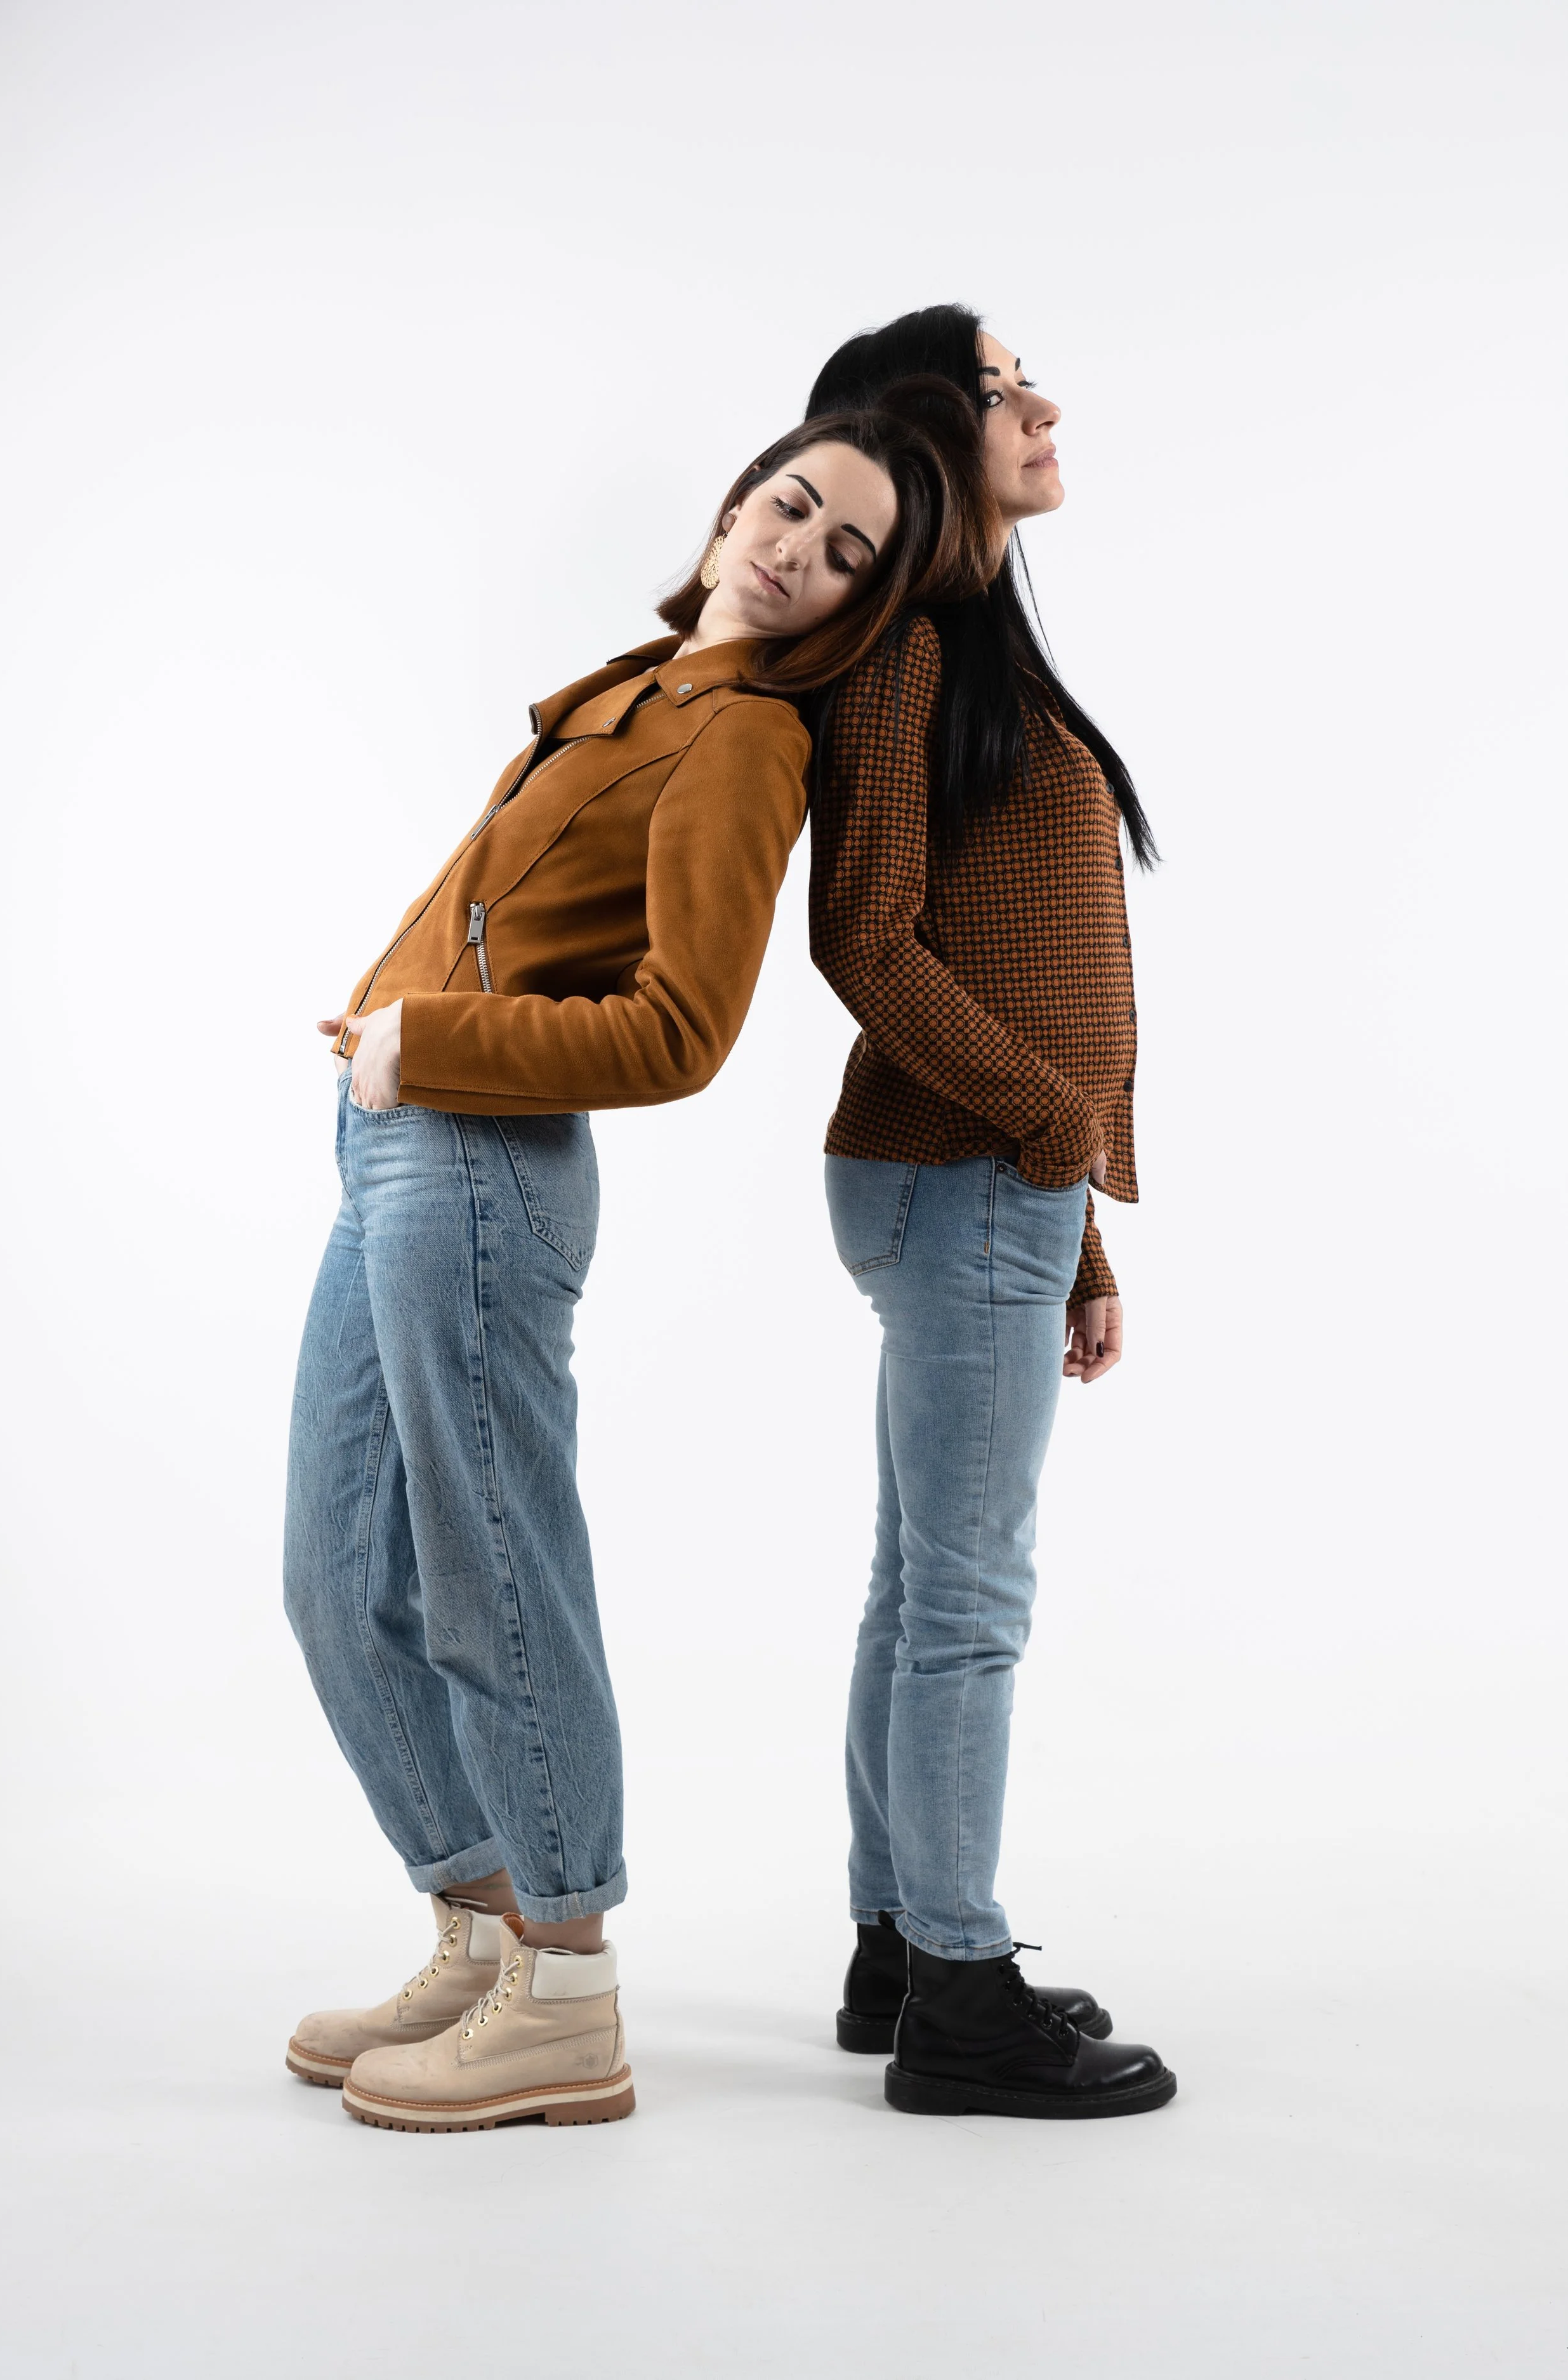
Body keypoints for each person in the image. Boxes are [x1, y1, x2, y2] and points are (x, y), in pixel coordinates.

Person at [282, 400, 981, 2133]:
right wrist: (383, 1036)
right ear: (746, 485)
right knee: (331, 1570)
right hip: (396, 1138)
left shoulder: (745, 737)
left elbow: (679, 1032)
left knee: (485, 1568)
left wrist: (418, 1044)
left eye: (842, 559)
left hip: (477, 1159)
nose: (794, 551)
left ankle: (567, 1988)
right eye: (792, 505)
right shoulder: (646, 677)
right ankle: (485, 1925)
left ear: (858, 607)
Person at [806, 306, 1176, 2118]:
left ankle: (896, 1944)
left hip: (984, 1188)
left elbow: (1020, 962)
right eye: (1000, 381)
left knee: (916, 1585)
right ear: (925, 431)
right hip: (960, 1172)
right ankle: (958, 1982)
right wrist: (1047, 1131)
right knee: (968, 1600)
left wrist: (1079, 1227)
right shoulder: (896, 663)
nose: (1041, 404)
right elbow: (859, 939)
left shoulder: (976, 657)